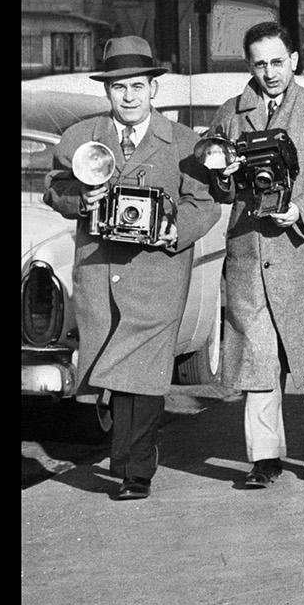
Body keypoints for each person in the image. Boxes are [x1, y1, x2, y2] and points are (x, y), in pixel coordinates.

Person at [43, 36, 221, 500]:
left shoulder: (183, 144)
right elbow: (54, 189)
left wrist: (173, 231)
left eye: (137, 86)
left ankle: (134, 470)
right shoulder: (81, 138)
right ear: (106, 91)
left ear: (153, 89)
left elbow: (203, 205)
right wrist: (82, 200)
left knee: (143, 374)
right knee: (115, 374)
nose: (129, 97)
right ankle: (133, 455)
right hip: (100, 275)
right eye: (119, 87)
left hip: (157, 272)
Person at [205, 22, 304, 488]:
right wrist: (225, 174)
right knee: (259, 360)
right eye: (259, 63)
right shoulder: (230, 116)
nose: (269, 73)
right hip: (252, 256)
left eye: (277, 61)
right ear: (248, 65)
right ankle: (264, 458)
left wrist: (302, 210)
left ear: (293, 60)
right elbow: (215, 183)